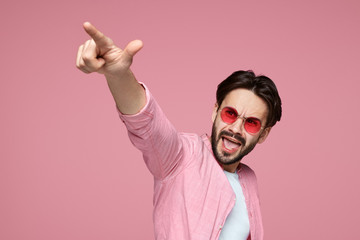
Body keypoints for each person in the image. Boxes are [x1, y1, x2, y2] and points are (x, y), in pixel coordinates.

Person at [76, 22, 282, 240]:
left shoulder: (249, 180)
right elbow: (148, 125)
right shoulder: (182, 157)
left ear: (263, 134)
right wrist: (118, 75)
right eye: (230, 114)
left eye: (251, 122)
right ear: (215, 112)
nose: (236, 129)